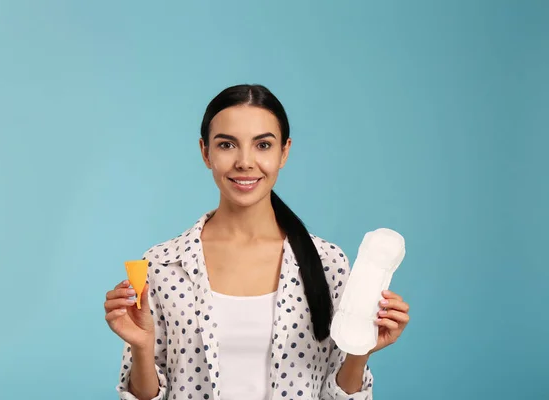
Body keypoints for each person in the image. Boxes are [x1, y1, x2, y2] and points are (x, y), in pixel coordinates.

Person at [104, 84, 410, 400]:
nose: (245, 162)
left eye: (263, 145)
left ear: (284, 152)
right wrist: (142, 346)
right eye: (227, 145)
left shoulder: (327, 263)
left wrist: (361, 350)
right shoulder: (162, 265)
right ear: (205, 152)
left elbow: (336, 394)